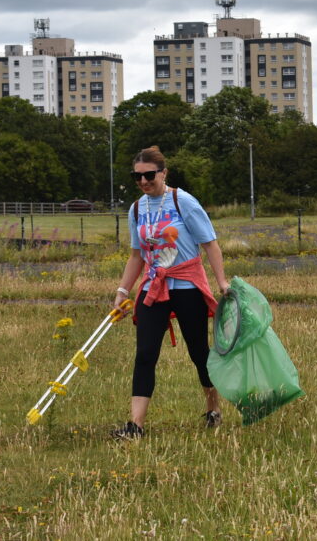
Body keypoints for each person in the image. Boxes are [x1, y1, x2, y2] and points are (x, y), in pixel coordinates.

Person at [110, 146, 230, 439]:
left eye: (149, 175)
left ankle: (213, 408)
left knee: (199, 352)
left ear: (163, 173)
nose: (143, 181)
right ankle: (135, 426)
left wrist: (222, 282)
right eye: (136, 177)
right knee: (145, 354)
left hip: (187, 285)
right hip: (154, 287)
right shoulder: (137, 209)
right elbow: (137, 255)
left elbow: (210, 244)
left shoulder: (183, 202)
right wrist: (123, 289)